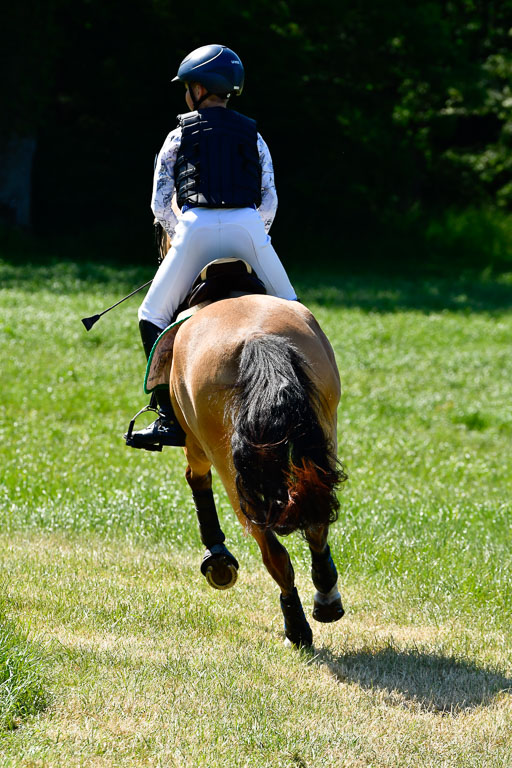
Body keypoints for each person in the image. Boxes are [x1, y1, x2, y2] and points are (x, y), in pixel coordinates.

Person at [127, 44, 297, 450]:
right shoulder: (253, 134)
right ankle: (300, 400)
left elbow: (158, 201)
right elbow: (269, 197)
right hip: (247, 227)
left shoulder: (177, 133)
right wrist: (256, 237)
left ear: (199, 89)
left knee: (150, 313)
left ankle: (167, 414)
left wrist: (179, 239)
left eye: (187, 87)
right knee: (294, 310)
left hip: (195, 227)